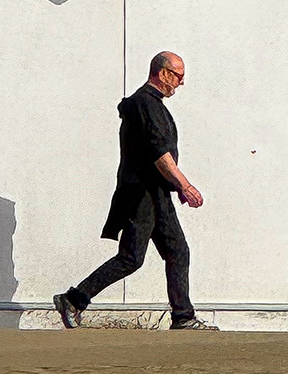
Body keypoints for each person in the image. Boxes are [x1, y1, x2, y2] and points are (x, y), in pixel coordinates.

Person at [54, 50, 216, 331]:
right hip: (141, 195)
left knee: (178, 251)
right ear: (164, 73)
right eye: (178, 77)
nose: (180, 83)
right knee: (131, 257)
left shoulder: (153, 105)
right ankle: (73, 299)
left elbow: (159, 156)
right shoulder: (145, 104)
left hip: (156, 194)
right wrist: (185, 185)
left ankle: (183, 316)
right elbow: (159, 153)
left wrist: (172, 185)